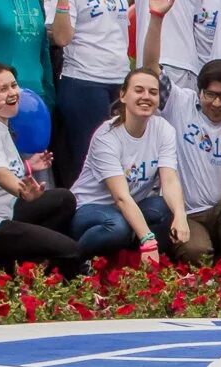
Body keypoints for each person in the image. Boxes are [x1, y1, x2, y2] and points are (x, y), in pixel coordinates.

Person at [0, 62, 88, 270]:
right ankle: (19, 266)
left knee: (63, 199)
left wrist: (27, 167)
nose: (12, 93)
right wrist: (22, 191)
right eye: (2, 89)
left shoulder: (1, 126)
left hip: (7, 210)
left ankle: (23, 259)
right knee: (71, 251)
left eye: (14, 85)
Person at [51, 0, 135, 189]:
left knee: (119, 158)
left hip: (118, 80)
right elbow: (61, 38)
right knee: (91, 162)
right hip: (84, 82)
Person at [69, 68, 186, 264]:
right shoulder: (106, 136)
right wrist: (148, 240)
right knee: (118, 226)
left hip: (128, 206)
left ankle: (132, 263)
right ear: (123, 95)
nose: (146, 97)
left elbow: (170, 180)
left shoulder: (163, 129)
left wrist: (181, 214)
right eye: (139, 90)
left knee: (165, 208)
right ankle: (76, 261)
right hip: (91, 208)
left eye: (153, 92)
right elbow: (121, 197)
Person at [159, 44, 221, 265]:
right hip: (188, 213)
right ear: (199, 92)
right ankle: (206, 268)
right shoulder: (181, 103)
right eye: (210, 94)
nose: (217, 103)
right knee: (198, 252)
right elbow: (150, 69)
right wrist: (157, 18)